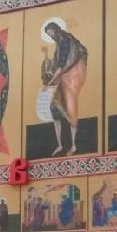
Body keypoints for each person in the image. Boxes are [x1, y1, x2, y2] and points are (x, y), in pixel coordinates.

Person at [41, 22, 89, 156]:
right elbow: (56, 65)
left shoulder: (66, 42)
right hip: (65, 78)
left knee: (70, 109)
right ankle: (60, 145)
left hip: (72, 78)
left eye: (52, 33)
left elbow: (61, 67)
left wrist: (49, 84)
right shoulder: (60, 43)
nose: (51, 37)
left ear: (57, 30)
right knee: (54, 108)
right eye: (49, 35)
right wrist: (46, 57)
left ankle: (74, 145)